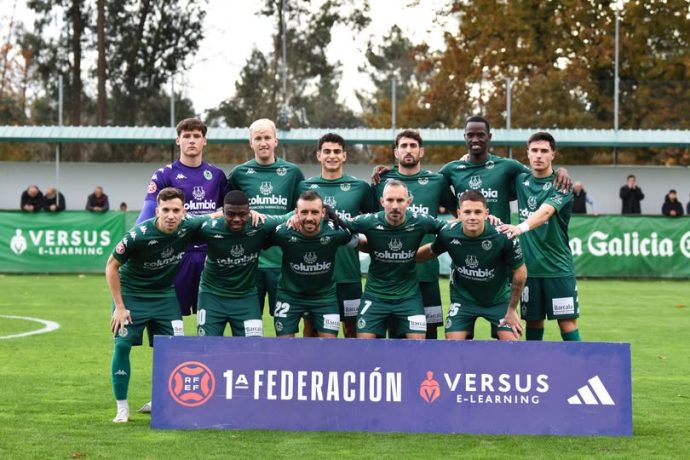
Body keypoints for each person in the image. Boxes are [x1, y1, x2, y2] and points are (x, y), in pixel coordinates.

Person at [106, 187, 210, 423]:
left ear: (184, 212)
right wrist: (119, 307)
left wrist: (252, 213)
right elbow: (111, 266)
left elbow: (218, 215)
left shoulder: (189, 225)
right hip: (131, 294)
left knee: (174, 349)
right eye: (166, 210)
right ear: (157, 211)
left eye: (176, 210)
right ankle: (122, 407)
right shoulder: (138, 235)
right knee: (122, 347)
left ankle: (162, 401)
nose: (171, 215)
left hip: (164, 296)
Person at [135, 118, 230, 321]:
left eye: (196, 136)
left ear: (204, 141)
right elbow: (149, 212)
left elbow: (230, 211)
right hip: (176, 254)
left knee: (211, 318)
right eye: (186, 136)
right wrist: (134, 241)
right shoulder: (164, 174)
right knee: (170, 318)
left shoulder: (216, 175)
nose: (191, 140)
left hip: (209, 255)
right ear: (178, 140)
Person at [371, 130, 457, 340]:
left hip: (426, 273)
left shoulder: (437, 181)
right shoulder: (381, 181)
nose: (408, 150)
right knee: (395, 335)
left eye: (413, 146)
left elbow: (460, 215)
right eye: (403, 146)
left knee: (430, 333)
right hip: (391, 276)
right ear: (396, 152)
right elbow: (370, 220)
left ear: (421, 151)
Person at [498, 132, 581, 342]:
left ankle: (580, 362)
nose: (538, 155)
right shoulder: (521, 180)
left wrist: (521, 227)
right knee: (533, 323)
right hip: (528, 270)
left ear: (553, 155)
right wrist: (468, 158)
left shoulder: (562, 184)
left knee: (567, 323)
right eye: (534, 150)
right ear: (527, 153)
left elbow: (546, 212)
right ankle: (534, 364)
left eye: (544, 151)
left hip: (558, 268)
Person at [416, 191, 526, 340]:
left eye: (478, 212)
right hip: (464, 299)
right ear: (459, 214)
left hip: (499, 300)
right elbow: (431, 250)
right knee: (453, 342)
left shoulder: (503, 236)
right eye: (467, 212)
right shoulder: (448, 233)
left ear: (486, 214)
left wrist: (512, 309)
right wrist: (405, 257)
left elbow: (520, 272)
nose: (472, 217)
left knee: (511, 343)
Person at [296, 133, 375, 338]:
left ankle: (350, 361)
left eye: (337, 151)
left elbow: (375, 223)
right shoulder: (304, 187)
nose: (332, 156)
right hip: (314, 274)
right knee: (311, 329)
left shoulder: (360, 187)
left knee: (352, 329)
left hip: (348, 274)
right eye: (327, 151)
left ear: (344, 155)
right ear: (319, 155)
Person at [347, 180, 445, 339]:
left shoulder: (420, 221)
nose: (394, 206)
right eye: (390, 200)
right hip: (375, 297)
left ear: (408, 202)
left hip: (409, 298)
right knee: (364, 345)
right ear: (382, 201)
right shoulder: (369, 221)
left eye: (400, 200)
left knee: (418, 344)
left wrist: (481, 222)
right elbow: (338, 227)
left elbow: (450, 230)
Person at [227, 119, 305, 319]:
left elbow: (302, 210)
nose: (263, 143)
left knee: (285, 324)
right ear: (251, 143)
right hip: (248, 261)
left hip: (283, 261)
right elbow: (226, 211)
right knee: (248, 323)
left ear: (275, 141)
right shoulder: (239, 174)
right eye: (258, 138)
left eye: (267, 138)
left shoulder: (293, 172)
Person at [266, 191, 364, 338]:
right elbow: (258, 239)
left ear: (323, 212)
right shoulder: (283, 232)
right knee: (284, 344)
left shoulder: (336, 231)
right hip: (289, 296)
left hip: (324, 298)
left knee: (329, 343)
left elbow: (361, 243)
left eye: (315, 212)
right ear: (296, 213)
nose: (309, 218)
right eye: (304, 212)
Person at [194, 191, 285, 338]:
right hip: (212, 296)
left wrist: (321, 211)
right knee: (207, 345)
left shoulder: (260, 224)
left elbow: (291, 216)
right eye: (231, 214)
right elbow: (184, 224)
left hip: (246, 297)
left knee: (253, 347)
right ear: (223, 212)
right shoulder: (209, 228)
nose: (236, 219)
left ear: (249, 212)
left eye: (242, 214)